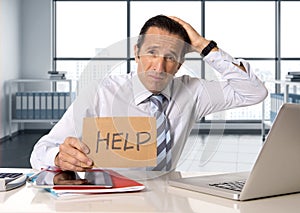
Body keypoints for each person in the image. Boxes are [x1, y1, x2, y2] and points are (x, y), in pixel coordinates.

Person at [30, 15, 267, 172]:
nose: (159, 67)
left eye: (170, 57)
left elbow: (253, 92)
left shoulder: (192, 91)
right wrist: (58, 158)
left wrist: (203, 45)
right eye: (152, 52)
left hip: (166, 196)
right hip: (109, 198)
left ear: (181, 62)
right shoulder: (100, 92)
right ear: (137, 53)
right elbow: (40, 151)